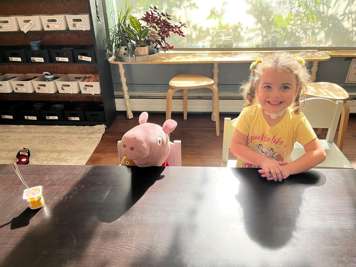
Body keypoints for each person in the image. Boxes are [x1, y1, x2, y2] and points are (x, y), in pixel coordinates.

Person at [230, 53, 326, 181]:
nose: (275, 95)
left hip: (278, 178)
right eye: (267, 87)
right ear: (257, 88)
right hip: (248, 177)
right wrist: (263, 161)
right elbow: (236, 146)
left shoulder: (297, 120)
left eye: (285, 87)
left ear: (296, 90)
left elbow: (318, 153)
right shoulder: (249, 114)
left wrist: (288, 169)